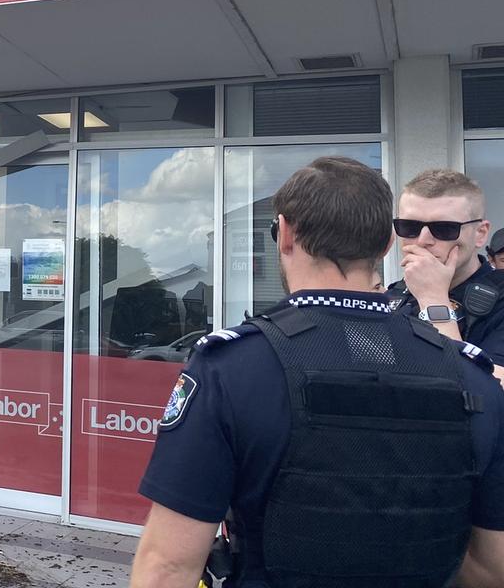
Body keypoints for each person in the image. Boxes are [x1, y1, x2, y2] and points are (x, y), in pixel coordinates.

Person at [129, 157, 504, 588]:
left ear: (285, 234)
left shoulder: (230, 371)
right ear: (386, 244)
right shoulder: (473, 380)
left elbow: (167, 568)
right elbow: (491, 571)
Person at [387, 170, 504, 371]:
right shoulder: (395, 295)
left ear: (480, 234)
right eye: (409, 227)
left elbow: (491, 390)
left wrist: (434, 301)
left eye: (444, 229)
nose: (423, 240)